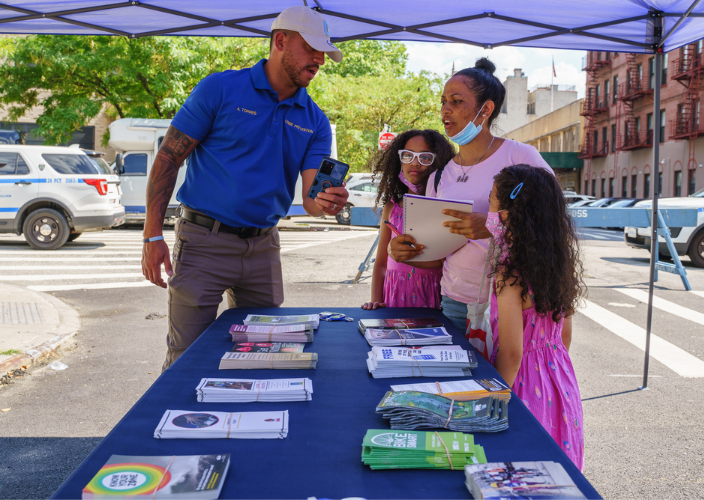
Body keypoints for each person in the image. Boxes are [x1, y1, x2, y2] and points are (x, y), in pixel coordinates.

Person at [140, 6, 350, 370]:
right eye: (312, 49)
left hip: (263, 248)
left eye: (324, 53)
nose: (319, 60)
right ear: (280, 41)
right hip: (203, 241)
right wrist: (151, 236)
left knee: (263, 357)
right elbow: (168, 159)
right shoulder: (220, 88)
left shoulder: (315, 120)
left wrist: (328, 202)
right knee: (186, 362)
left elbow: (312, 199)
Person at [388, 57, 554, 329]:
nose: (445, 110)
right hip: (453, 301)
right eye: (443, 101)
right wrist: (406, 253)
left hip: (508, 301)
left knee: (501, 373)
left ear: (485, 109)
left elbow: (552, 217)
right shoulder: (440, 175)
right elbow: (437, 254)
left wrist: (492, 224)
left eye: (456, 101)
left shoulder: (520, 156)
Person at [487, 164, 586, 470]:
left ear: (507, 213)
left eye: (490, 201)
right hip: (559, 379)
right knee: (554, 472)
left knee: (517, 470)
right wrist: (548, 369)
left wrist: (493, 403)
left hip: (522, 386)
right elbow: (565, 335)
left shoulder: (510, 274)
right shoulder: (558, 263)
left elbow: (513, 353)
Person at [361, 130, 454, 310]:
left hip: (435, 296)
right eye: (408, 155)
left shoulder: (444, 207)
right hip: (394, 296)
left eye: (425, 157)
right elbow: (381, 263)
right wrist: (376, 300)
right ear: (399, 160)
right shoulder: (391, 207)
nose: (415, 163)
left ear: (438, 162)